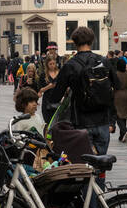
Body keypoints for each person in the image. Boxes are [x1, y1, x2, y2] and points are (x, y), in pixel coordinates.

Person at [39, 26, 118, 158]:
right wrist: (112, 121)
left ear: (74, 43)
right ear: (92, 41)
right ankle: (99, 179)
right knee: (101, 163)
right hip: (103, 120)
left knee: (85, 164)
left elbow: (55, 97)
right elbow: (116, 88)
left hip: (81, 121)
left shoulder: (70, 65)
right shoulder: (103, 61)